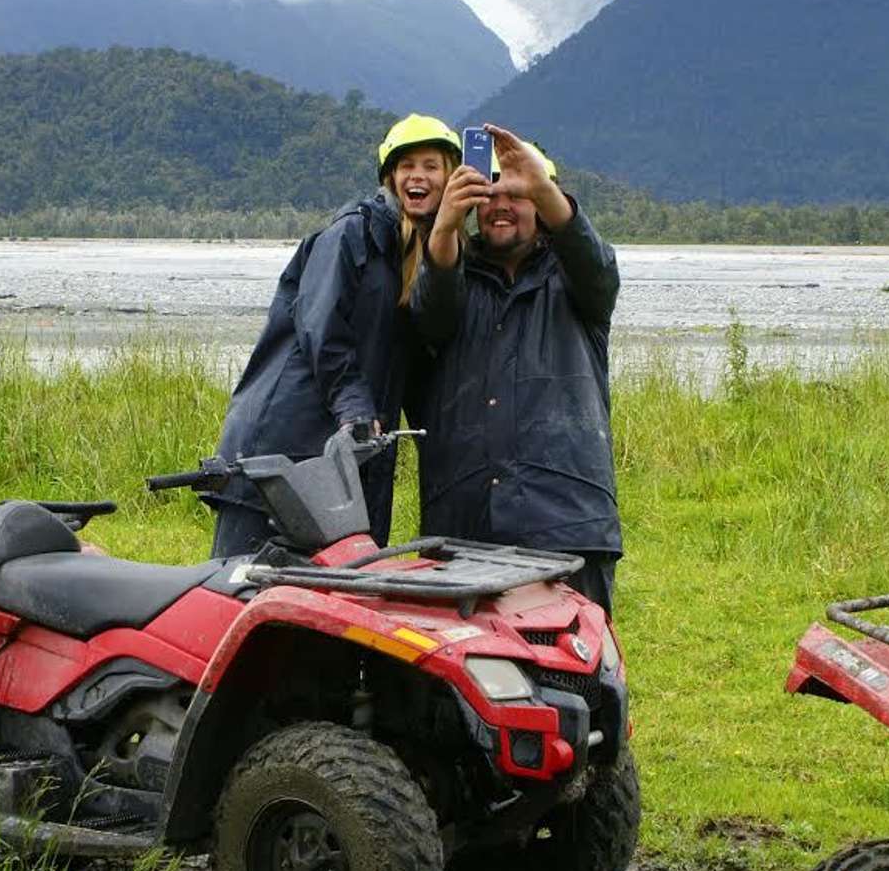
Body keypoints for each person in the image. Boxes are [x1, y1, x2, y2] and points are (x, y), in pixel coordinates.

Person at [204, 114, 462, 558]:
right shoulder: (352, 233)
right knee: (244, 586)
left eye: (431, 165)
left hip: (347, 451)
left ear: (451, 179)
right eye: (406, 166)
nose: (417, 176)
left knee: (333, 598)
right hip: (285, 439)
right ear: (390, 177)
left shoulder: (424, 259)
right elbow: (320, 326)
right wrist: (357, 408)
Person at [408, 125, 624, 614]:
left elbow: (596, 264)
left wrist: (543, 186)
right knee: (470, 677)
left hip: (566, 521)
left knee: (577, 672)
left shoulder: (578, 283)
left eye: (519, 194)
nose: (502, 204)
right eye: (490, 193)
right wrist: (444, 226)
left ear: (542, 207)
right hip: (465, 523)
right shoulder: (454, 278)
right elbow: (430, 314)